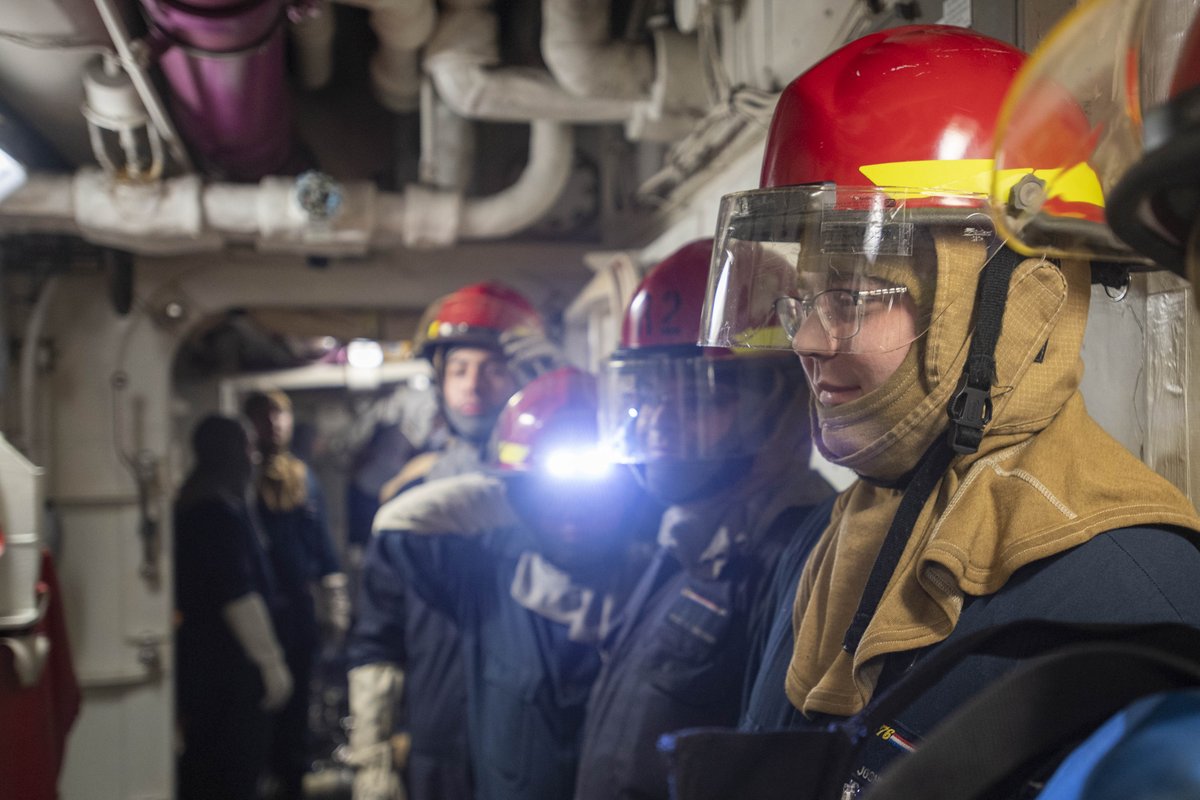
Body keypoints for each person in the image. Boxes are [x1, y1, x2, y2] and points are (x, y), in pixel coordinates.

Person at [696, 24, 1200, 797]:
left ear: (1020, 305)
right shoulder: (819, 550)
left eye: (855, 296)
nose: (809, 339)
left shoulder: (1133, 597)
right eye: (804, 297)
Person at [574, 239, 834, 800]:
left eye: (699, 399)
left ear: (782, 402)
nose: (660, 423)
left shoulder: (803, 558)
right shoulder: (692, 539)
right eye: (650, 395)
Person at [371, 366, 659, 800]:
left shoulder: (659, 584)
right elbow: (397, 523)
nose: (571, 518)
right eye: (552, 500)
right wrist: (514, 486)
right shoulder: (485, 578)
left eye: (593, 498)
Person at [345, 282, 555, 800]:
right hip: (438, 744)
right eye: (458, 369)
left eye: (491, 369)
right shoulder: (414, 500)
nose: (473, 387)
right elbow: (379, 631)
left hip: (539, 743)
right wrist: (372, 755)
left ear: (523, 377)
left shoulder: (563, 495)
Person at [174, 415, 293, 800]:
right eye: (246, 447)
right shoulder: (214, 511)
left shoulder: (201, 501)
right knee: (230, 771)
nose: (253, 457)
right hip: (226, 674)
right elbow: (236, 595)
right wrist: (270, 661)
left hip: (211, 670)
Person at [243, 389, 348, 800]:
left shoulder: (302, 478)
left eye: (279, 415)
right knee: (258, 698)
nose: (273, 424)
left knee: (299, 694)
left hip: (297, 608)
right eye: (263, 415)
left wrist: (335, 600)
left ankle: (293, 780)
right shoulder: (242, 479)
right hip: (257, 609)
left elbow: (321, 543)